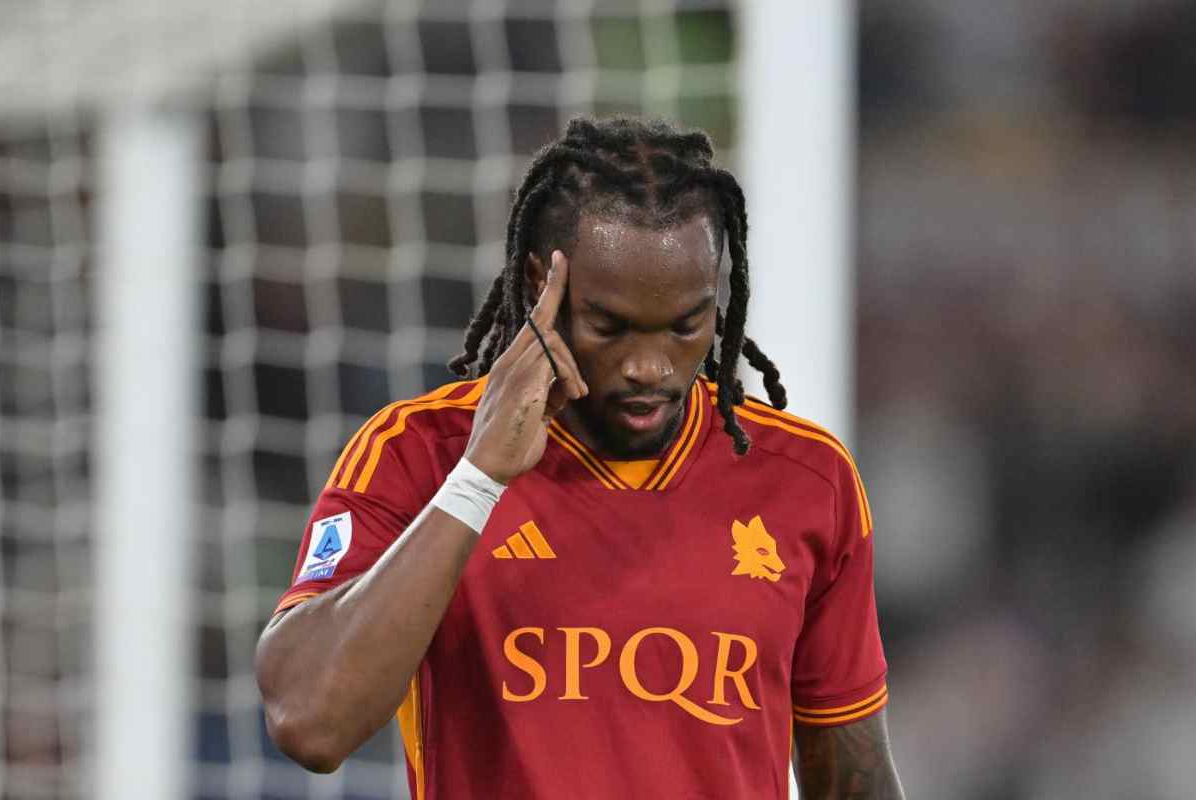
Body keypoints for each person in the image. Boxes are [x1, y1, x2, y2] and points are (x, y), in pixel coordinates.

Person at [256, 116, 904, 799]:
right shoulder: (419, 453)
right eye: (611, 326)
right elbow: (310, 722)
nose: (650, 367)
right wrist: (479, 479)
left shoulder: (806, 480)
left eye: (685, 324)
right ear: (544, 284)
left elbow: (854, 782)